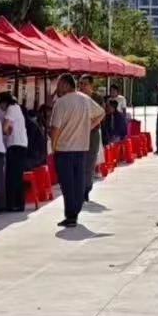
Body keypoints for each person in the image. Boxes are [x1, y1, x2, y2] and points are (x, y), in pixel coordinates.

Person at [48, 75, 105, 229]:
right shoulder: (85, 99)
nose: (57, 89)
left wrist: (53, 147)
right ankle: (75, 212)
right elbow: (101, 112)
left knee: (67, 183)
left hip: (64, 149)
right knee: (78, 181)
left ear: (67, 85)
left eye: (59, 85)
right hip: (81, 148)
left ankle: (71, 215)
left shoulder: (61, 103)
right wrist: (89, 126)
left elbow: (55, 128)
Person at [1, 92, 30, 211]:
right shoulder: (17, 108)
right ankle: (18, 203)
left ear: (4, 102)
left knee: (12, 176)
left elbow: (5, 127)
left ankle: (13, 204)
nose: (1, 108)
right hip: (21, 145)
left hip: (15, 146)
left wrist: (5, 131)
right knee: (17, 176)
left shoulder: (11, 109)